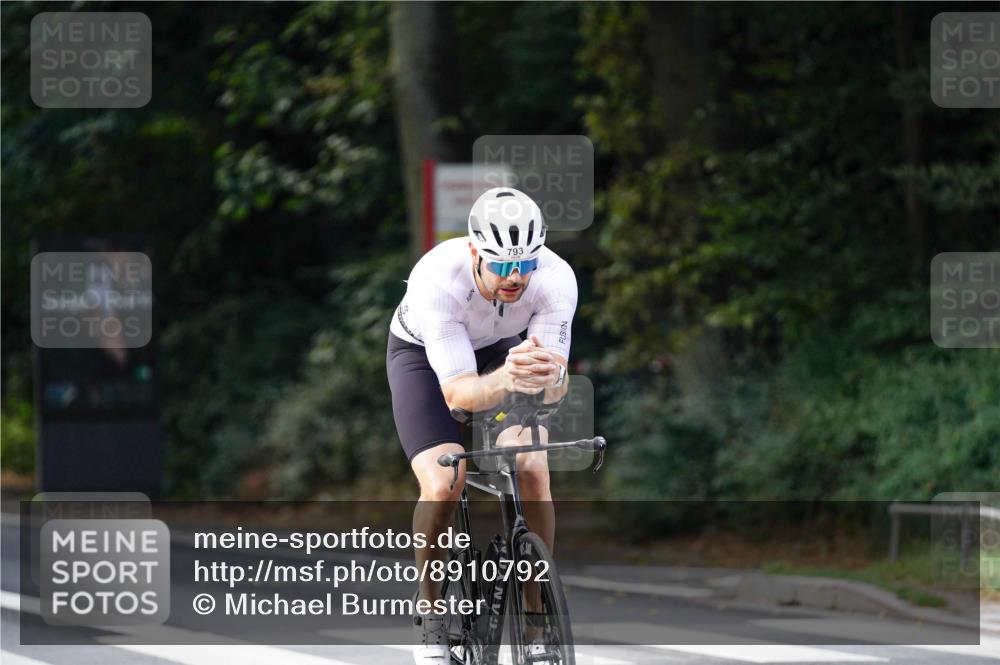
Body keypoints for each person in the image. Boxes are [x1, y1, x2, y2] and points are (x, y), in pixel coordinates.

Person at [386, 187, 577, 664]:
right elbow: (459, 395)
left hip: (498, 347)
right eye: (501, 265)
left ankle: (536, 626)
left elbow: (553, 385)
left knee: (532, 466)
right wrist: (510, 378)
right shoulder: (436, 281)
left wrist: (551, 377)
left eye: (525, 264)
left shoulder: (555, 279)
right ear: (475, 251)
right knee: (444, 481)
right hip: (423, 359)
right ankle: (431, 617)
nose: (515, 277)